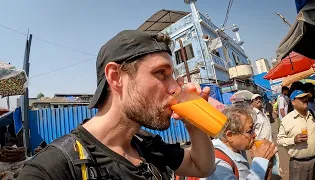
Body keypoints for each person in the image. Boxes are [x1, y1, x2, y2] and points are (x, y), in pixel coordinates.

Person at [17, 30, 215, 179]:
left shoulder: (145, 144)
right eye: (160, 73)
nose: (175, 88)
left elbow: (202, 167)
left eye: (172, 76)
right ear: (115, 77)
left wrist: (194, 124)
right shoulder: (53, 169)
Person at [203, 105, 277, 180]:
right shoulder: (219, 164)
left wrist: (267, 165)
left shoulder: (236, 148)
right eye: (249, 131)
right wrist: (260, 162)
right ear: (230, 135)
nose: (255, 135)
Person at [277, 90, 315, 180]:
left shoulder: (313, 114)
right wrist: (294, 140)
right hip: (298, 164)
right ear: (293, 102)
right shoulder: (287, 120)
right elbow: (279, 140)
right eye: (301, 98)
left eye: (306, 97)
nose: (305, 100)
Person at [250, 94, 280, 179]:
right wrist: (253, 148)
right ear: (252, 103)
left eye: (260, 98)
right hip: (260, 146)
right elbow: (250, 132)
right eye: (256, 99)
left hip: (270, 144)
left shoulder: (263, 112)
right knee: (263, 169)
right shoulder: (253, 115)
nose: (258, 100)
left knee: (270, 166)